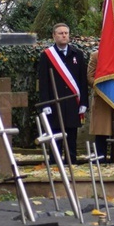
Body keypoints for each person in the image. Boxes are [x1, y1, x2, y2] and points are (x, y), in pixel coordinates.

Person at [38, 23, 89, 164]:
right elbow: (43, 81)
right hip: (55, 102)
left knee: (71, 134)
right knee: (55, 134)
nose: (64, 35)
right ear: (54, 35)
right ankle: (55, 164)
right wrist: (45, 103)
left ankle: (71, 163)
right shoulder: (47, 55)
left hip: (73, 102)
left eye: (66, 33)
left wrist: (84, 102)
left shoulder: (77, 54)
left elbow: (82, 80)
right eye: (60, 33)